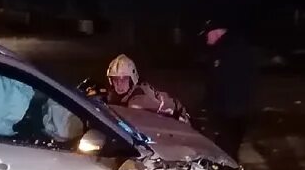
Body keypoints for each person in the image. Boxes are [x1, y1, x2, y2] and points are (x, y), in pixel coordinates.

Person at [201, 16, 256, 160]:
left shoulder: (230, 49)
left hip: (231, 113)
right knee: (226, 149)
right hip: (232, 111)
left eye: (207, 34)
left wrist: (215, 108)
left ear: (216, 32)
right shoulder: (225, 48)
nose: (206, 38)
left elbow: (226, 82)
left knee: (227, 151)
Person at [103, 54, 189, 121]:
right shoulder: (114, 95)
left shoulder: (138, 100)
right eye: (115, 79)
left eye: (124, 79)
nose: (119, 84)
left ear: (132, 80)